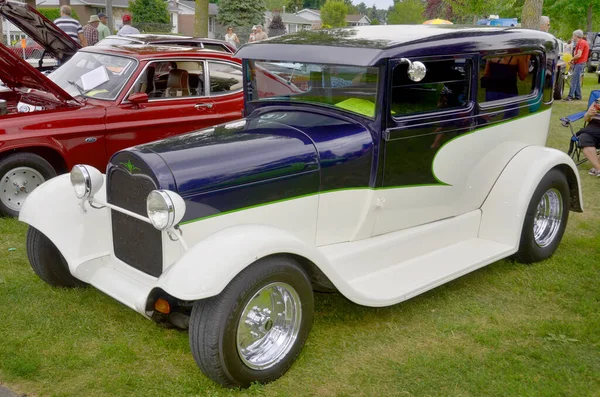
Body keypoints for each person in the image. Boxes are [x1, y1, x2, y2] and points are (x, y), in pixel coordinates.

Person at [577, 100, 600, 176]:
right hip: (593, 128)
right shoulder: (597, 101)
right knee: (584, 138)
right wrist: (589, 114)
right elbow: (586, 119)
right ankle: (598, 169)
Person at [564, 29, 588, 101]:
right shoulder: (581, 42)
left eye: (573, 35)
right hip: (579, 63)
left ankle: (570, 96)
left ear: (576, 36)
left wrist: (571, 59)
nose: (572, 37)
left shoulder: (581, 43)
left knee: (573, 80)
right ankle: (578, 96)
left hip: (580, 63)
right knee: (577, 80)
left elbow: (579, 55)